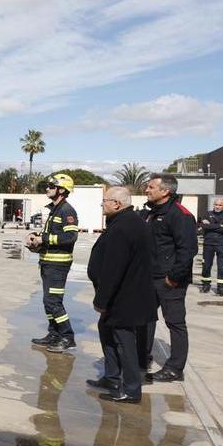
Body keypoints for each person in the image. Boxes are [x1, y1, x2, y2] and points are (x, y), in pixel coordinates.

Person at [87, 186, 156, 403]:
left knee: (124, 342)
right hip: (124, 293)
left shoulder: (123, 227)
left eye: (105, 201)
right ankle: (112, 378)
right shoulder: (129, 222)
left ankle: (131, 390)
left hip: (123, 296)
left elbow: (113, 269)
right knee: (106, 331)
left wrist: (102, 300)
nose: (102, 204)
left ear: (117, 204)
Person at [142, 174, 198, 383]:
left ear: (165, 191)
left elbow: (188, 250)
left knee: (175, 323)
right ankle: (142, 357)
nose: (147, 190)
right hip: (150, 277)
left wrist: (173, 278)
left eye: (151, 187)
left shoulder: (180, 215)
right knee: (145, 319)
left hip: (170, 280)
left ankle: (175, 368)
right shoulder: (152, 213)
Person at [27, 173, 80, 353]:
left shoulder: (67, 210)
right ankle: (54, 334)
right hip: (48, 263)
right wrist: (36, 238)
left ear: (62, 190)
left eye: (51, 186)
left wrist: (44, 239)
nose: (47, 188)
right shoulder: (55, 209)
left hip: (58, 265)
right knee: (48, 302)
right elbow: (51, 236)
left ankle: (67, 336)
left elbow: (70, 237)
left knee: (53, 302)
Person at [199, 198, 223, 296]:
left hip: (222, 244)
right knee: (206, 265)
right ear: (213, 205)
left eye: (220, 205)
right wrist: (219, 225)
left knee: (222, 267)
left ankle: (221, 288)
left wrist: (211, 225)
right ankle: (206, 285)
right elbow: (204, 226)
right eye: (216, 204)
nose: (217, 207)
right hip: (208, 244)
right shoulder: (207, 214)